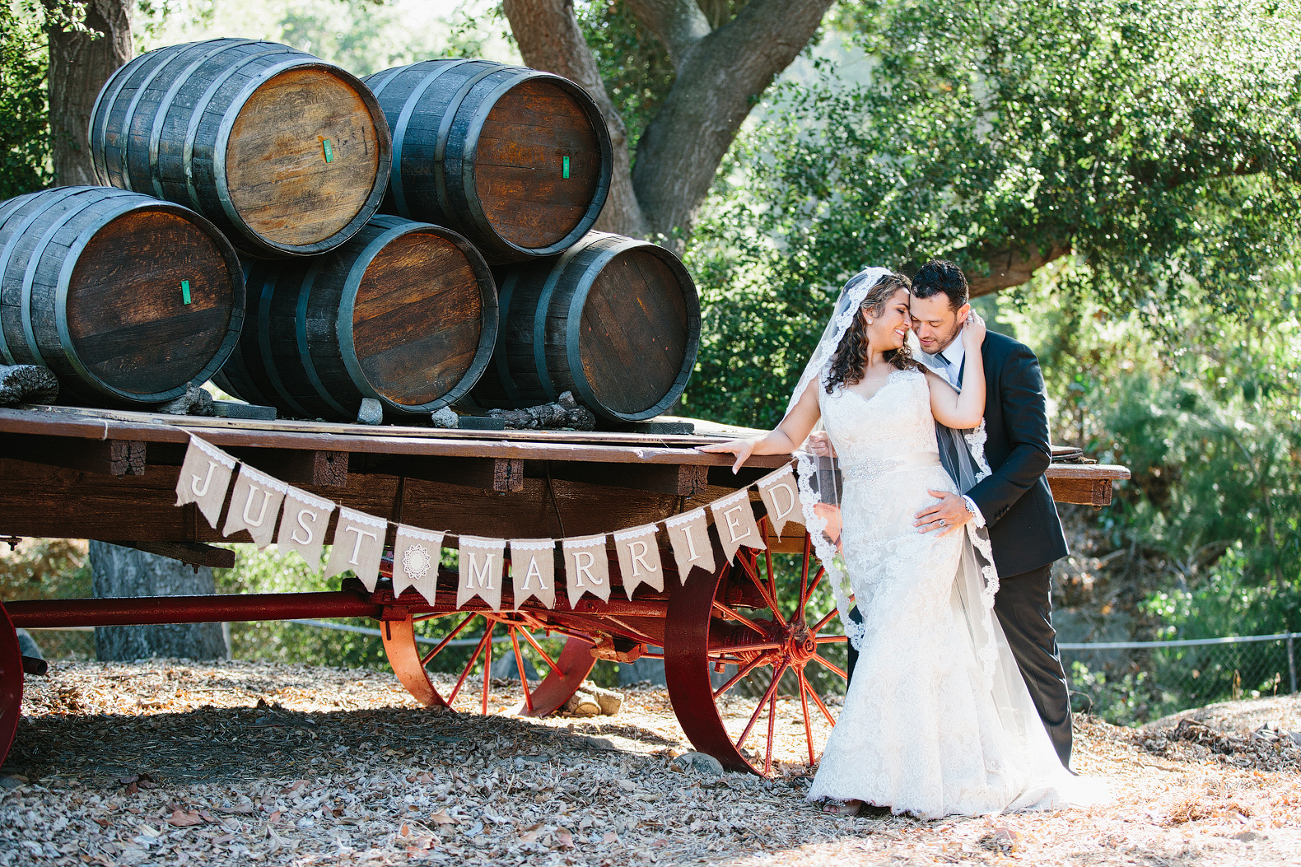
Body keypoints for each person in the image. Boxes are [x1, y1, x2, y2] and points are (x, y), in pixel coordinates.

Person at [699, 267, 1089, 819]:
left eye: (920, 315)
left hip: (927, 521)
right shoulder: (827, 385)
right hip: (869, 531)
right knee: (911, 643)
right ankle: (922, 770)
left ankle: (858, 779)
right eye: (903, 312)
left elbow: (974, 417)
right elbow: (789, 436)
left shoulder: (920, 374)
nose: (911, 324)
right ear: (867, 314)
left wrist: (974, 346)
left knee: (892, 643)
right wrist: (748, 442)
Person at [824, 260, 1074, 770]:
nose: (922, 331)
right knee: (877, 633)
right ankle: (875, 765)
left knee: (1030, 654)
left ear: (964, 315)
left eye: (935, 323)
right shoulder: (904, 358)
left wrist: (972, 505)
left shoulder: (1010, 358)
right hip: (921, 531)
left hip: (1009, 534)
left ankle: (1055, 768)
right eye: (915, 319)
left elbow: (1033, 452)